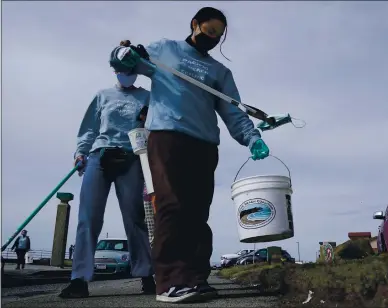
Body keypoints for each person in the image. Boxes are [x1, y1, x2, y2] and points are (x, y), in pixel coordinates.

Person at [110, 7, 270, 303]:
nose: (212, 38)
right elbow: (128, 61)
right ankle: (170, 282)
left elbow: (232, 110)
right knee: (172, 206)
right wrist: (122, 57)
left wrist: (251, 138)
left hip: (205, 145)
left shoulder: (220, 72)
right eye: (209, 31)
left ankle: (196, 278)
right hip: (168, 138)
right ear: (195, 24)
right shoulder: (165, 50)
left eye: (218, 36)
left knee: (198, 214)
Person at [58, 51, 155, 298]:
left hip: (131, 157)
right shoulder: (102, 96)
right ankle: (79, 279)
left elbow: (155, 126)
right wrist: (80, 153)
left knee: (134, 217)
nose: (126, 76)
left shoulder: (147, 96)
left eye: (130, 72)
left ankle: (147, 275)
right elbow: (89, 128)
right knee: (88, 217)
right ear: (115, 71)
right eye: (122, 72)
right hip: (99, 156)